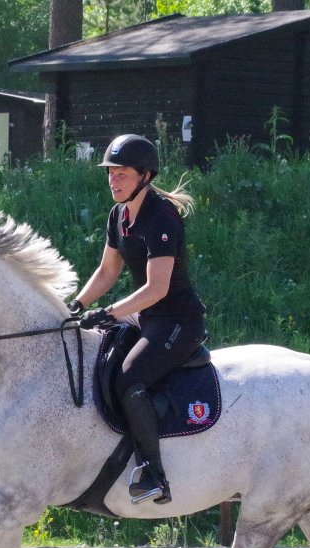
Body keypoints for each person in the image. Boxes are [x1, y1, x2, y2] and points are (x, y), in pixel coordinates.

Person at [70, 133, 207, 505]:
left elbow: (157, 288)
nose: (113, 180)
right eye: (110, 173)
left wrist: (110, 312)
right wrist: (77, 306)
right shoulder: (118, 214)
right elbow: (107, 271)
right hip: (144, 316)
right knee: (99, 357)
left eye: (122, 174)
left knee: (131, 377)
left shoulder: (161, 217)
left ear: (145, 175)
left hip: (177, 320)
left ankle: (154, 475)